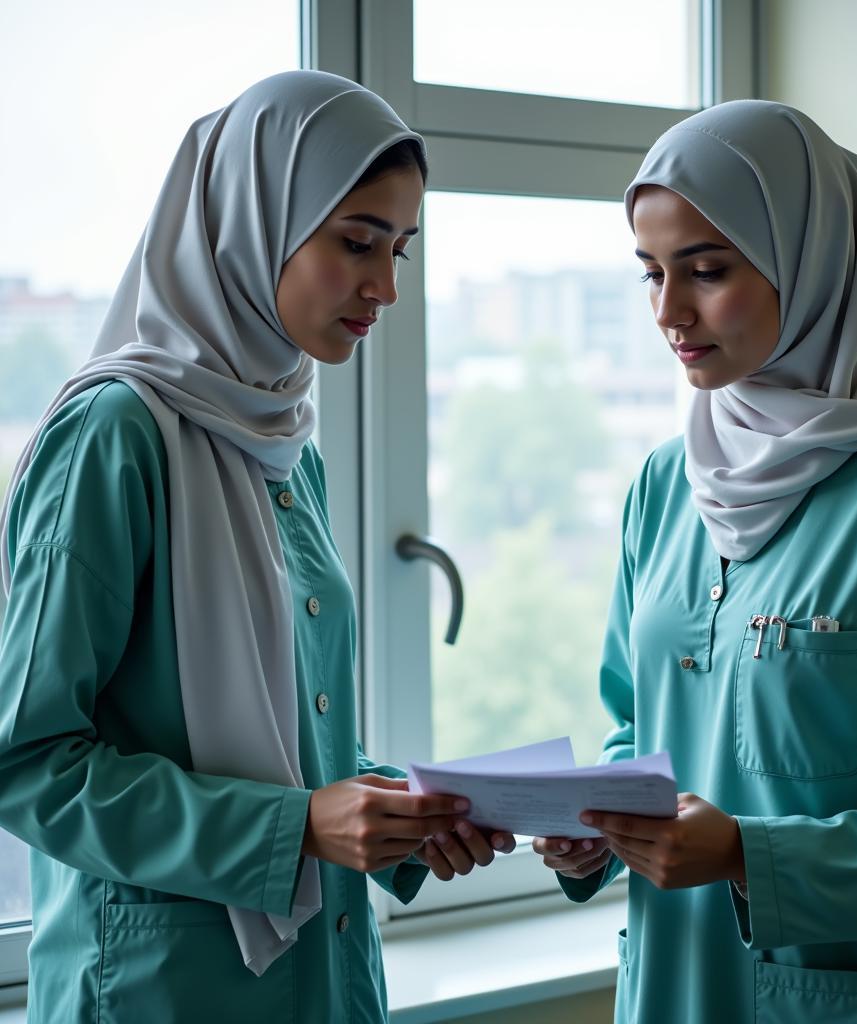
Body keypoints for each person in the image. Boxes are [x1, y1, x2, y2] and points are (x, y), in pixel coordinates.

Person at [0, 70, 511, 1023]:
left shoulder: (278, 441)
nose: (386, 286)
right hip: (159, 991)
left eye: (401, 249)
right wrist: (298, 828)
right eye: (357, 242)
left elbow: (289, 736)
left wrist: (399, 812)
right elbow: (24, 761)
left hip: (320, 977)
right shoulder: (114, 436)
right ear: (250, 225)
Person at [532, 100, 857, 1023]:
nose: (669, 311)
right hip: (674, 988)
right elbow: (637, 734)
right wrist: (593, 831)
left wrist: (750, 857)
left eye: (707, 271)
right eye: (649, 274)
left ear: (814, 263)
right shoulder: (664, 484)